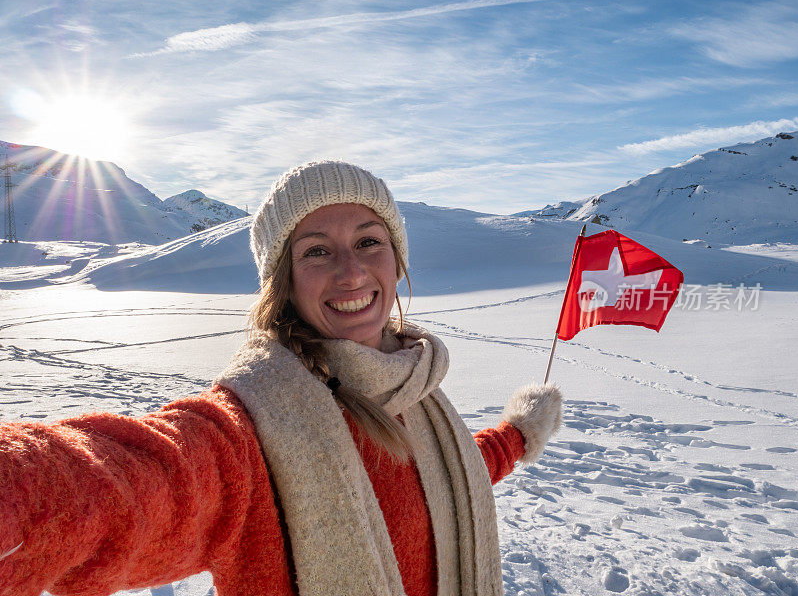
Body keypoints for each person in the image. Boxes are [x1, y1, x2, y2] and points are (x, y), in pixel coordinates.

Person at [0, 161, 562, 596]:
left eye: (369, 241)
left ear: (397, 260)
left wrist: (518, 434)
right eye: (316, 251)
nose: (351, 271)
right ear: (285, 281)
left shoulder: (415, 390)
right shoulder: (252, 428)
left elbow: (446, 473)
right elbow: (131, 482)